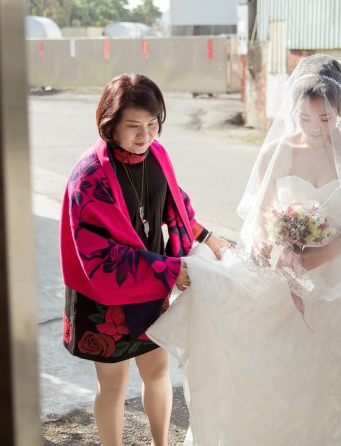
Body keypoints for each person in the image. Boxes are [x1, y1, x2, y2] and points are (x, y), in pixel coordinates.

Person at [147, 55, 341, 445]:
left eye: (325, 119)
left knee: (338, 381)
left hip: (337, 285)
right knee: (282, 378)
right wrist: (272, 247)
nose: (315, 128)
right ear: (293, 111)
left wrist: (320, 255)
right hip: (283, 284)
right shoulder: (276, 153)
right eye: (305, 118)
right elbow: (259, 221)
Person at [59, 73, 229, 446]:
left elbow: (177, 208)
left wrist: (207, 238)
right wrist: (171, 269)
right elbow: (97, 256)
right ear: (110, 125)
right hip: (104, 295)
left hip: (151, 284)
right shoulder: (89, 176)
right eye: (134, 126)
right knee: (113, 385)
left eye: (152, 124)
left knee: (157, 373)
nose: (146, 136)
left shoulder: (157, 156)